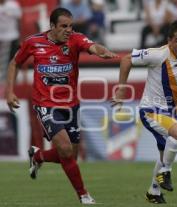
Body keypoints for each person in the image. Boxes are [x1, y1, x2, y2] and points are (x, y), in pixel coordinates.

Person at [5, 8, 118, 204]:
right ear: (52, 26)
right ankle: (84, 195)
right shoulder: (34, 42)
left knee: (69, 156)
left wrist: (102, 51)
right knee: (65, 150)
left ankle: (38, 155)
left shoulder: (75, 39)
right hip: (45, 104)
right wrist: (9, 91)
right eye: (64, 26)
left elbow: (92, 46)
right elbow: (14, 63)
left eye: (70, 26)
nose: (68, 30)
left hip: (71, 104)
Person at [111, 20, 177, 204]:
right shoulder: (158, 54)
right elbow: (126, 59)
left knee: (164, 154)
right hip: (150, 110)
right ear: (169, 40)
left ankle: (154, 192)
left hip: (172, 112)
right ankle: (165, 171)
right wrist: (121, 89)